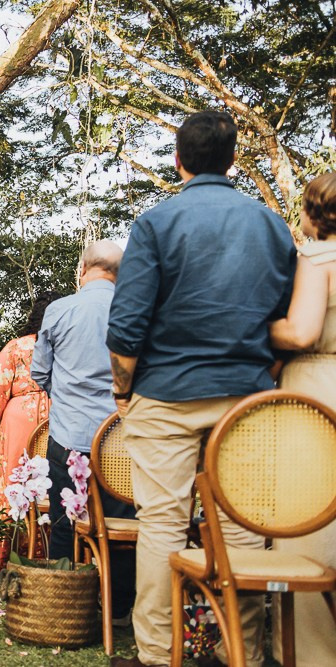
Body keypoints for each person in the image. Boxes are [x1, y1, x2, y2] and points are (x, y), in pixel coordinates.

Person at [107, 111, 297, 667]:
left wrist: (124, 393)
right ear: (233, 159)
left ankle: (157, 656)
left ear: (178, 160)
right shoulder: (270, 224)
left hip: (166, 396)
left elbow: (125, 332)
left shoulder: (155, 224)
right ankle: (239, 652)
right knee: (241, 529)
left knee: (162, 525)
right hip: (246, 398)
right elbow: (284, 316)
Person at [30, 242, 136, 624]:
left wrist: (70, 397)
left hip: (68, 436)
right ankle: (119, 609)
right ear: (120, 274)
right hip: (123, 441)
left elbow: (39, 373)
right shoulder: (136, 311)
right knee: (123, 525)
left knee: (64, 520)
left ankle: (65, 605)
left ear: (83, 269)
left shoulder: (59, 310)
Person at [268, 171, 336, 665]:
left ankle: (311, 653)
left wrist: (260, 327)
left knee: (308, 524)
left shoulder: (317, 258)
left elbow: (302, 331)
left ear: (313, 212)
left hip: (317, 394)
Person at [0, 291, 61, 512]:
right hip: (58, 412)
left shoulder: (16, 347)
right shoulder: (66, 346)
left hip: (19, 417)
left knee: (14, 473)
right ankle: (48, 540)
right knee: (53, 474)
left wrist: (2, 409)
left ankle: (10, 535)